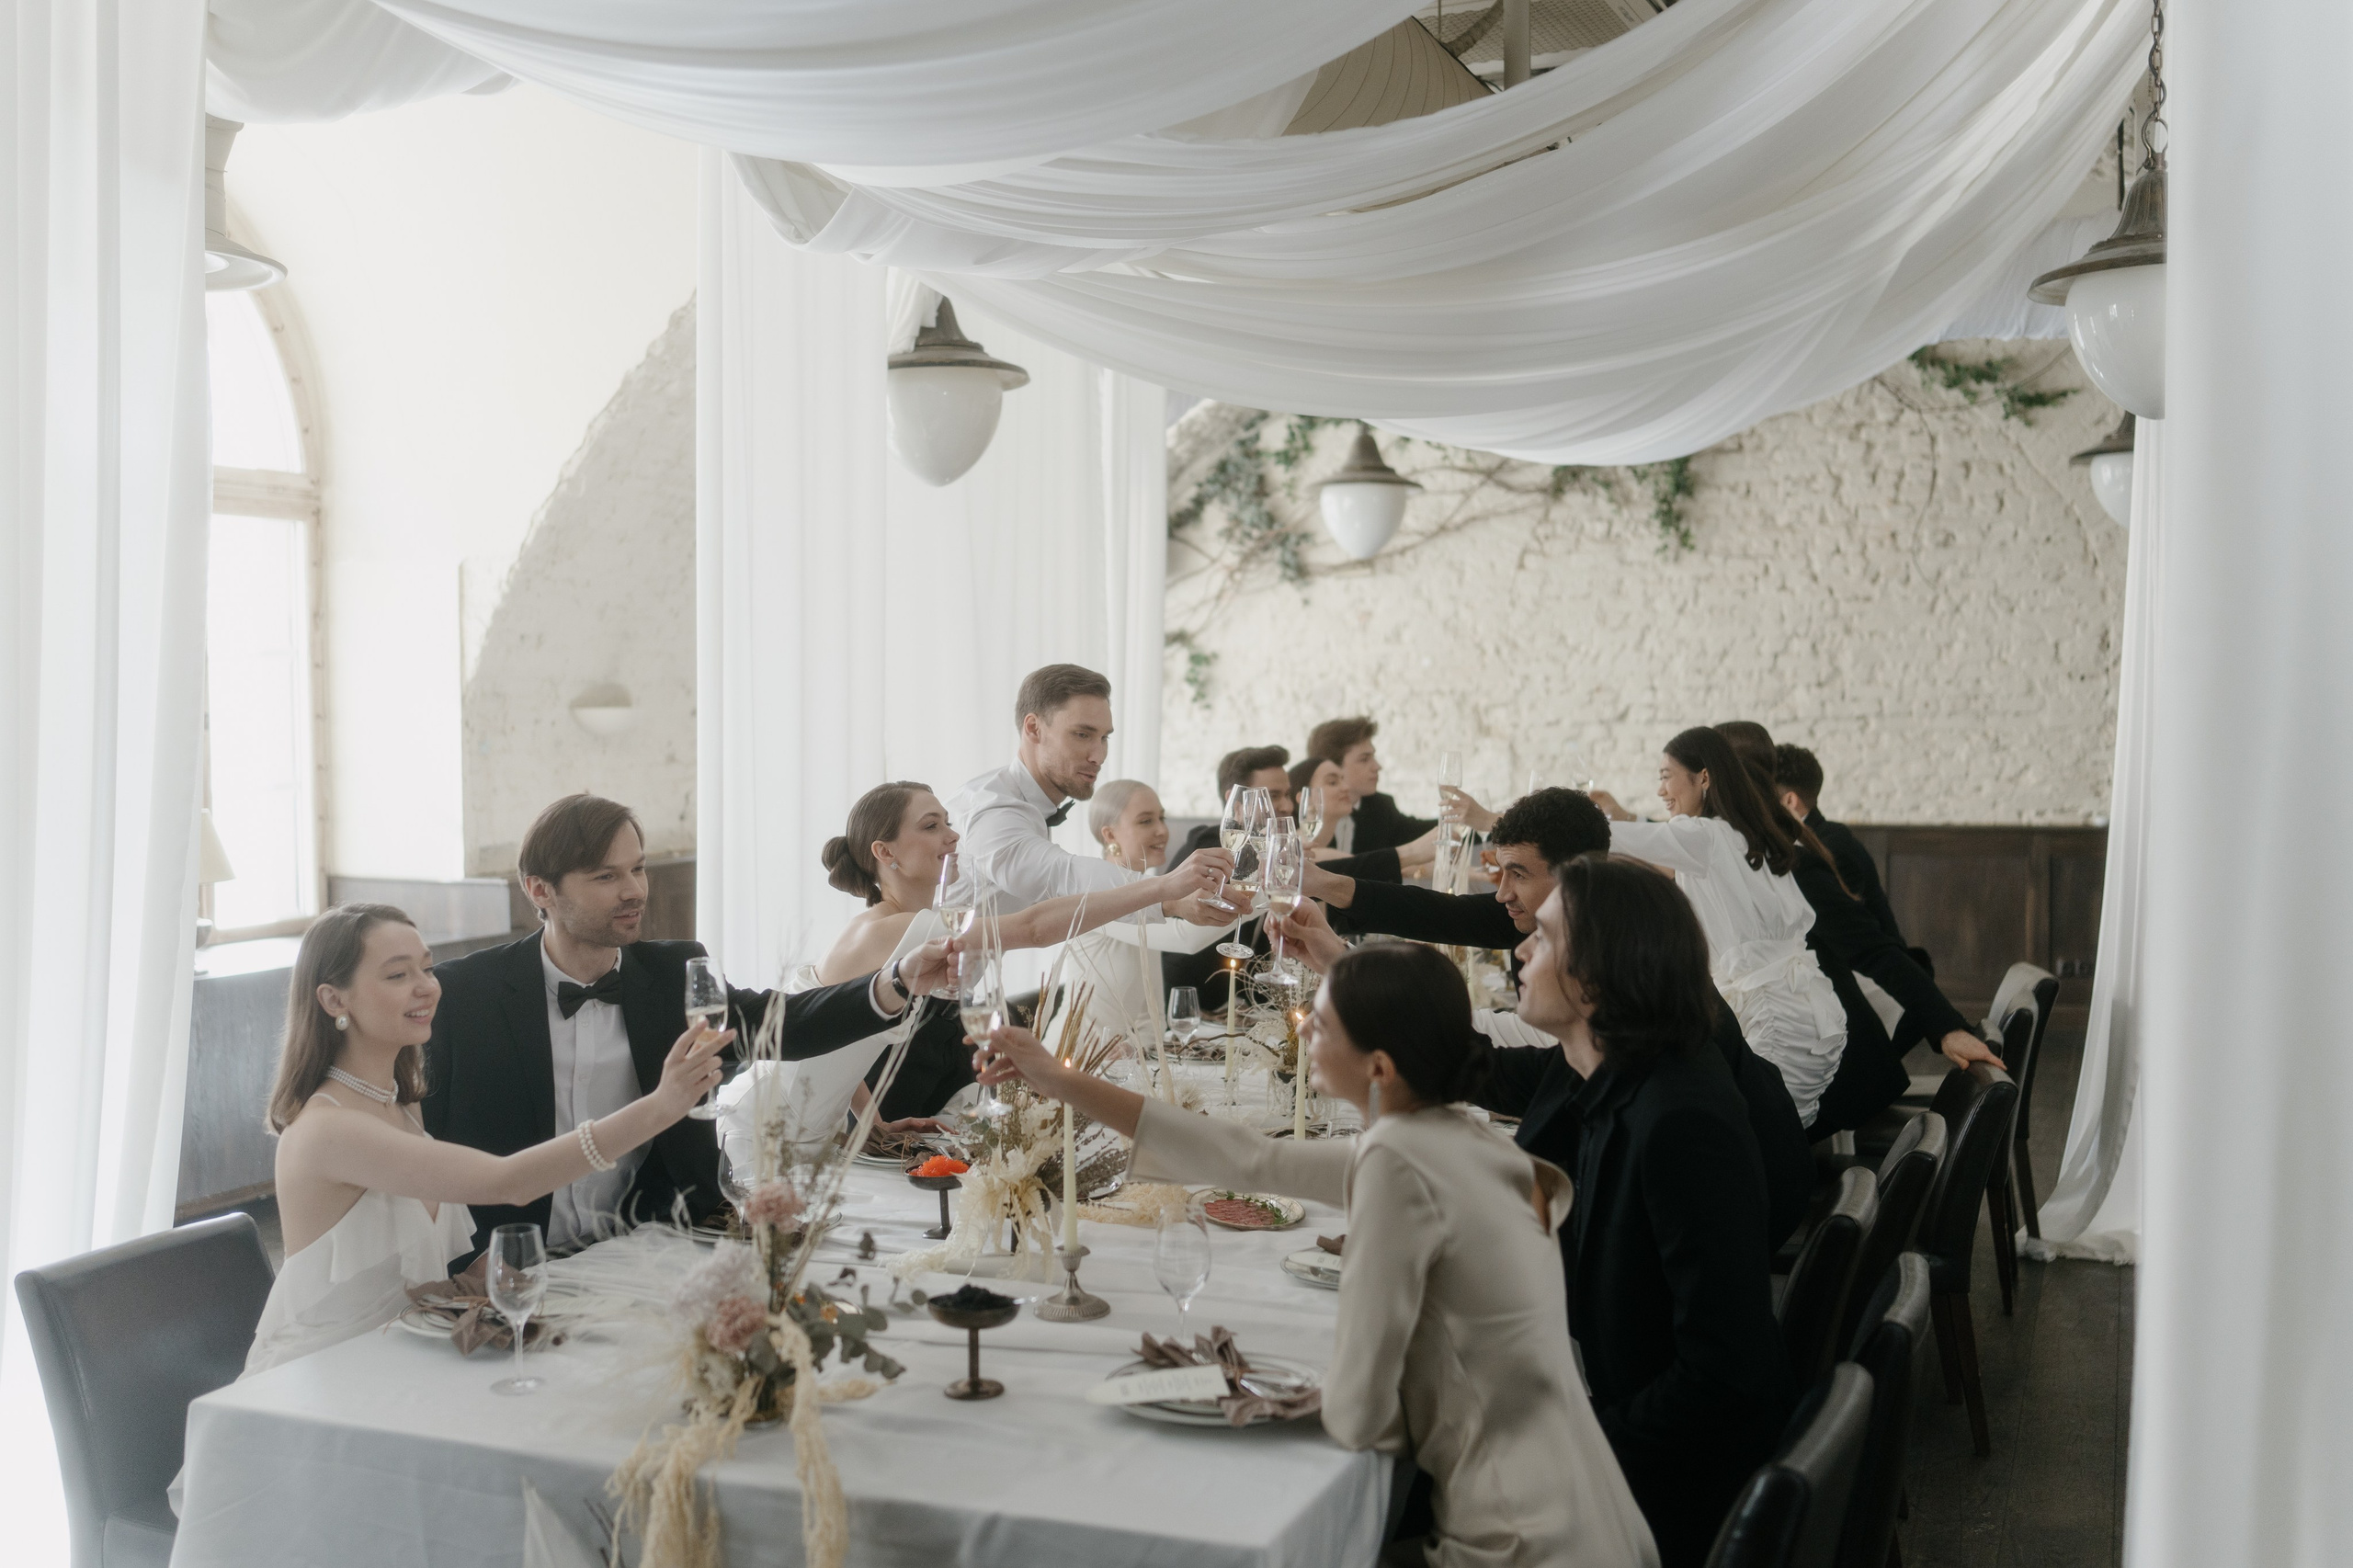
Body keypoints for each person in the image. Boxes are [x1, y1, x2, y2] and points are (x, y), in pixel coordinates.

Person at [976, 943, 1658, 1568]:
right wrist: (1057, 1080)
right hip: (1599, 1514)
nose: (1302, 1030)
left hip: (1515, 1539)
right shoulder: (1464, 1135)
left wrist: (1267, 1394)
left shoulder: (1396, 1159)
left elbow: (1362, 1416)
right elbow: (1251, 1158)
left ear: (1380, 1068)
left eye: (1323, 1026)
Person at [1282, 788, 1813, 1247]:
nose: (1517, 948)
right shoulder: (1614, 1026)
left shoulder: (1670, 1095)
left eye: (1518, 875)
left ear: (1574, 879)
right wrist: (1342, 964)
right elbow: (1483, 1065)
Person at [424, 794, 952, 1255]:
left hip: (646, 1244)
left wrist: (897, 979)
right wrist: (454, 1256)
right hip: (511, 1262)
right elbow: (421, 1142)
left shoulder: (672, 971)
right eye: (606, 876)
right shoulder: (466, 995)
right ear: (539, 890)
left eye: (638, 868)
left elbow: (784, 1022)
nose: (634, 890)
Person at [246, 903, 732, 1376]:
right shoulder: (330, 1130)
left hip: (406, 1357)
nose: (427, 989)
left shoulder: (401, 1102)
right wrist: (661, 1106)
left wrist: (469, 1283)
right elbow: (510, 1182)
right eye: (398, 976)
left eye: (428, 969)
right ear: (334, 1000)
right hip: (324, 1376)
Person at [1502, 857, 1794, 1567]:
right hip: (1625, 1428)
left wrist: (1576, 1448)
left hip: (1665, 1495)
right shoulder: (1620, 1082)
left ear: (1594, 981)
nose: (1520, 952)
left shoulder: (1679, 1120)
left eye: (1541, 938)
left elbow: (1723, 1375)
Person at [814, 780, 1221, 1123]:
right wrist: (1166, 888)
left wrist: (872, 1123)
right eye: (931, 826)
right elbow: (1034, 927)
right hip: (779, 1127)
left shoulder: (919, 922)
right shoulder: (888, 929)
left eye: (948, 823)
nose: (953, 835)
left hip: (845, 1120)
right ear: (885, 853)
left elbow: (837, 1039)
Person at [1589, 728, 1850, 1129]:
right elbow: (1644, 859)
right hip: (1803, 1008)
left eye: (1664, 775)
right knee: (1765, 1134)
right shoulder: (1742, 832)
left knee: (1730, 1131)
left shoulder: (1704, 835)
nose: (1659, 790)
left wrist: (1494, 820)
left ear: (1704, 777)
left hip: (1769, 1021)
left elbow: (1603, 838)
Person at [947, 663, 1231, 917]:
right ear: (1034, 729)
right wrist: (1169, 893)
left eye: (1104, 737)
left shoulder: (1027, 803)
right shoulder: (992, 809)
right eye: (1082, 735)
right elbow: (1063, 877)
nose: (1098, 756)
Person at [1305, 715, 1439, 854]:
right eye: (1364, 759)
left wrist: (1461, 818)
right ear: (1330, 765)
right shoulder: (1299, 812)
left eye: (1373, 757)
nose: (1377, 766)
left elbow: (1420, 832)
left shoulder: (1380, 807)